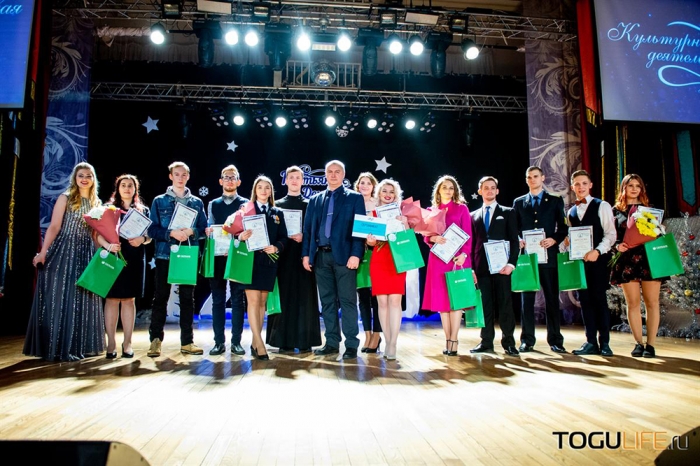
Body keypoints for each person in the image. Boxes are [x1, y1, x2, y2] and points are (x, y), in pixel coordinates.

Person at [24, 162, 109, 361]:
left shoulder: (97, 203)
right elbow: (54, 227)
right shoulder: (66, 197)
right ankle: (58, 346)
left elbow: (96, 234)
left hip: (86, 253)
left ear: (93, 179)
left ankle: (79, 345)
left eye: (88, 175)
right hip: (64, 250)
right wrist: (43, 252)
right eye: (81, 175)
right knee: (62, 296)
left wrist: (104, 251)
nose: (84, 179)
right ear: (75, 178)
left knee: (83, 298)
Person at [302, 160, 365, 360]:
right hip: (321, 256)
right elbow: (308, 230)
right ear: (326, 175)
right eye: (330, 171)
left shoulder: (354, 198)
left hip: (345, 257)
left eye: (338, 172)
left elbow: (359, 229)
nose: (333, 175)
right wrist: (306, 254)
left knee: (347, 301)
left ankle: (351, 344)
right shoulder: (315, 200)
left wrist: (356, 254)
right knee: (327, 302)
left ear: (343, 175)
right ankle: (331, 342)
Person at [147, 162, 207, 358]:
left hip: (188, 254)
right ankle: (155, 340)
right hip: (165, 254)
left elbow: (204, 229)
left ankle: (187, 342)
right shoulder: (159, 201)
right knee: (161, 297)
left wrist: (192, 231)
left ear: (188, 177)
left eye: (184, 174)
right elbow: (152, 230)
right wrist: (170, 233)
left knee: (187, 298)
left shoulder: (196, 203)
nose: (180, 178)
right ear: (170, 176)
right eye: (177, 174)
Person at [512, 166, 568, 354]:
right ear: (526, 180)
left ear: (542, 178)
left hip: (548, 257)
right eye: (529, 177)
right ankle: (527, 340)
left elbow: (563, 228)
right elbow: (514, 228)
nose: (532, 179)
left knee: (552, 299)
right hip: (528, 258)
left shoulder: (554, 200)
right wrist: (518, 240)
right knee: (527, 301)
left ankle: (555, 340)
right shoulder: (519, 202)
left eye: (535, 176)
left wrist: (554, 239)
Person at [266, 166, 322, 353]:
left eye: (298, 177)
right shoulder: (277, 205)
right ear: (286, 180)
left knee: (305, 297)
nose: (295, 180)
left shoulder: (310, 204)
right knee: (284, 297)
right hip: (282, 257)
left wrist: (304, 236)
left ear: (303, 181)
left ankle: (305, 340)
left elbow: (316, 230)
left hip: (303, 256)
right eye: (291, 177)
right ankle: (284, 341)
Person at [610, 174, 662, 358]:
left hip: (649, 259)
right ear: (623, 188)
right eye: (630, 185)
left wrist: (659, 230)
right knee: (632, 303)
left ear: (642, 189)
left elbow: (658, 234)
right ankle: (638, 343)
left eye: (637, 186)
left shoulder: (649, 210)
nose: (634, 189)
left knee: (652, 302)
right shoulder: (615, 211)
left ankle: (651, 345)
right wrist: (617, 246)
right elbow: (609, 235)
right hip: (626, 260)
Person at [421, 175, 473, 356]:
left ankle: (454, 340)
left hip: (457, 259)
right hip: (438, 260)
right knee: (442, 302)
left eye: (451, 188)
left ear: (455, 191)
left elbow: (468, 234)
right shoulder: (431, 211)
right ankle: (447, 340)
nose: (448, 190)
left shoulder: (462, 209)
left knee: (455, 301)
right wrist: (432, 238)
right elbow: (426, 236)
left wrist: (464, 255)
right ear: (438, 190)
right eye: (444, 187)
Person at [567, 170, 617, 356]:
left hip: (598, 261)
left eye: (584, 183)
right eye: (577, 184)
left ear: (590, 185)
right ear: (572, 187)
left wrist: (597, 251)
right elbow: (571, 237)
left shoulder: (602, 205)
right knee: (585, 302)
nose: (581, 187)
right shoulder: (571, 212)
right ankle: (590, 342)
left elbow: (611, 234)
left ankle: (605, 343)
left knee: (599, 300)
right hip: (580, 264)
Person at [238, 175, 288, 360]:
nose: (264, 190)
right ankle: (259, 343)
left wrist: (277, 247)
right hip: (250, 262)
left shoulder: (277, 212)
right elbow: (234, 232)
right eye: (260, 187)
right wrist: (240, 236)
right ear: (255, 190)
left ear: (271, 191)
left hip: (269, 262)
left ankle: (255, 342)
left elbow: (284, 237)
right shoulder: (246, 209)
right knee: (253, 301)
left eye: (267, 187)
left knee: (261, 303)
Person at [469, 176, 521, 356]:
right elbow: (471, 244)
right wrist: (472, 268)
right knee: (485, 305)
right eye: (486, 188)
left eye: (493, 187)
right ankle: (486, 342)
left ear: (497, 191)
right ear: (480, 191)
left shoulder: (508, 212)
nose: (489, 190)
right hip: (481, 268)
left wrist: (511, 264)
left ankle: (509, 343)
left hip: (502, 268)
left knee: (505, 304)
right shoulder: (473, 216)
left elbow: (514, 241)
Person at [103, 174, 151, 359]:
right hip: (113, 257)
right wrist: (108, 245)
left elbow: (150, 236)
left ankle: (127, 343)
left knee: (129, 300)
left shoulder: (142, 210)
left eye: (130, 185)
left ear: (135, 189)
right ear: (118, 188)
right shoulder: (108, 209)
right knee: (112, 300)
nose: (127, 188)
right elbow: (98, 234)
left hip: (134, 258)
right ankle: (111, 344)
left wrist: (142, 239)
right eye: (123, 185)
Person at [205, 165, 249, 357]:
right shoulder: (213, 204)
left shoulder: (246, 204)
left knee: (238, 300)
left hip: (238, 256)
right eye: (226, 177)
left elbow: (248, 229)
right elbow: (210, 227)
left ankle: (236, 342)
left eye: (233, 177)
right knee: (218, 300)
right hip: (217, 257)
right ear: (220, 181)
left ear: (239, 181)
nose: (230, 180)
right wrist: (208, 232)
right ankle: (218, 342)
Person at [365, 179, 409, 360]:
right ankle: (387, 340)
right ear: (379, 194)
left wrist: (405, 224)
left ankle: (393, 343)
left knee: (395, 301)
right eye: (384, 191)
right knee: (382, 302)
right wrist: (370, 241)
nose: (388, 194)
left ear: (396, 195)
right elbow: (369, 241)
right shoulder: (373, 214)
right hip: (379, 259)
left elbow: (408, 239)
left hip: (397, 259)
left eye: (391, 191)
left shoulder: (402, 214)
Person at [353, 172, 382, 353]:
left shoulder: (378, 205)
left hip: (376, 252)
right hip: (358, 254)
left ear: (373, 186)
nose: (364, 186)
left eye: (368, 183)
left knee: (377, 297)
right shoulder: (352, 202)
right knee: (363, 297)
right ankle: (368, 334)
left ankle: (377, 334)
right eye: (361, 183)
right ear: (358, 186)